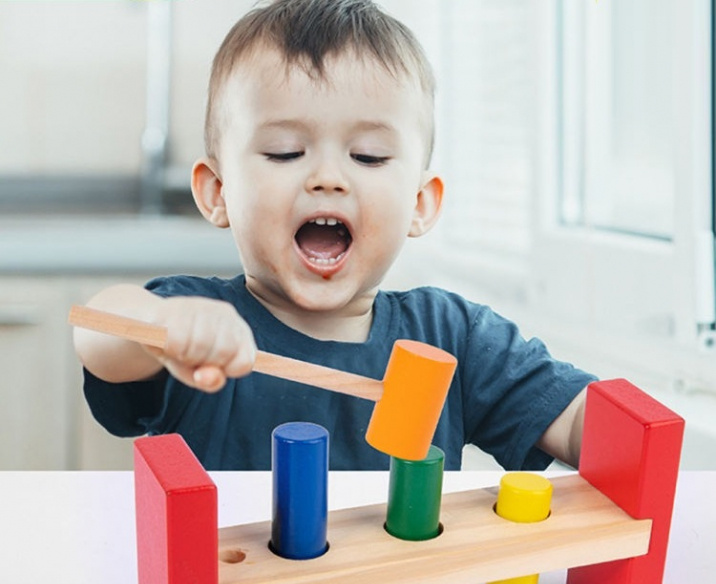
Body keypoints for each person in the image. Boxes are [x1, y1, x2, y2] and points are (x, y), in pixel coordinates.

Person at [74, 0, 596, 471]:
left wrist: (633, 440)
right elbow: (101, 334)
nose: (328, 176)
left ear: (419, 203)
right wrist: (165, 326)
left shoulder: (454, 338)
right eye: (284, 151)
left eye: (368, 156)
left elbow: (576, 422)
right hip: (234, 579)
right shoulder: (201, 323)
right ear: (218, 193)